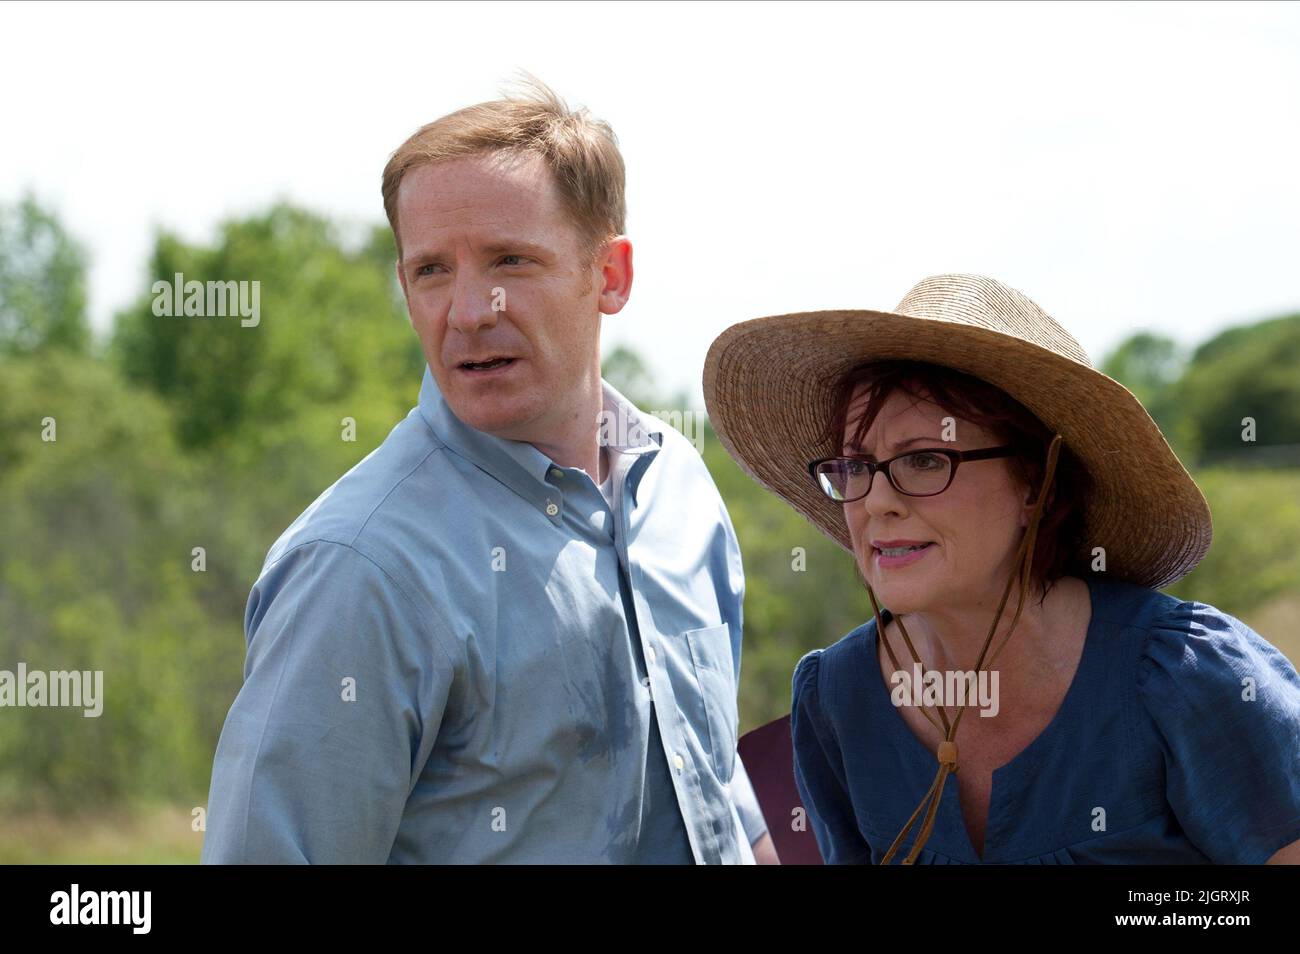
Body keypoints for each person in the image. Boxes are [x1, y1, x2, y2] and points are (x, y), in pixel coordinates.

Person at [201, 76, 775, 864]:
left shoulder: (679, 492)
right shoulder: (358, 567)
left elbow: (716, 791)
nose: (470, 311)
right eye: (431, 270)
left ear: (609, 275)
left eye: (510, 259)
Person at [702, 273, 1300, 864]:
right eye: (855, 467)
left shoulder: (1187, 677)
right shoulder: (838, 699)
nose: (876, 501)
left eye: (926, 459)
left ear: (1036, 483)